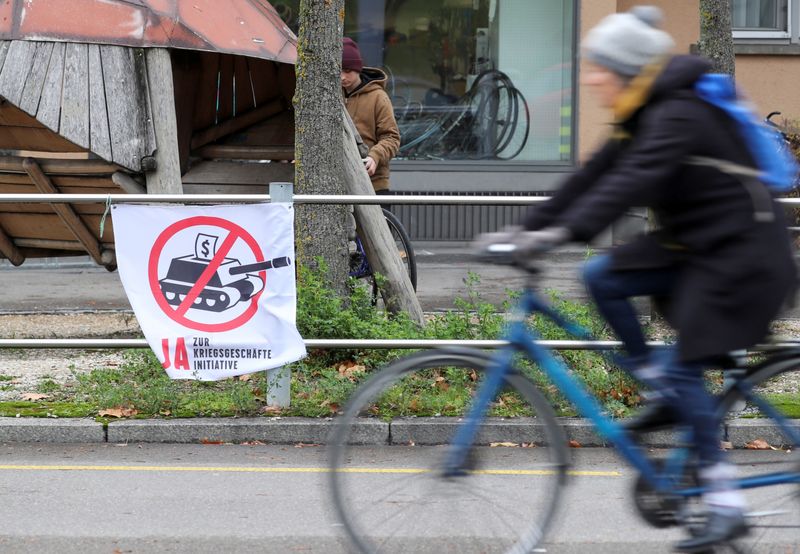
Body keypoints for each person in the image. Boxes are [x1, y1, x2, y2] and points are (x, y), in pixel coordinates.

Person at [495, 6, 797, 552]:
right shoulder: (643, 112)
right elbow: (591, 176)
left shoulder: (677, 115)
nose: (589, 78)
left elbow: (630, 183)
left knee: (687, 369)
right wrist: (525, 228)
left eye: (598, 69)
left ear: (627, 71)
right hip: (702, 250)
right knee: (603, 275)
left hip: (743, 261)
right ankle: (657, 382)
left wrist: (556, 235)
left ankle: (724, 502)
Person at [341, 37, 400, 207]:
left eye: (347, 70)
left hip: (374, 184)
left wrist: (375, 156)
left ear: (357, 69)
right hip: (340, 185)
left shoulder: (378, 97)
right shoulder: (331, 95)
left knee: (380, 233)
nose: (342, 77)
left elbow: (392, 138)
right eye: (338, 70)